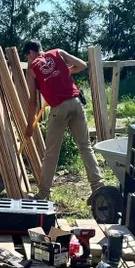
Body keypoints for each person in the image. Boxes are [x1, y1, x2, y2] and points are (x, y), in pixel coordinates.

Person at [22, 40, 104, 200]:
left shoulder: (32, 69)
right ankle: (98, 188)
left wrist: (30, 125)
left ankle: (44, 194)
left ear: (30, 53)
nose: (29, 60)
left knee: (51, 153)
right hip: (76, 103)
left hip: (59, 109)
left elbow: (32, 101)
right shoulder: (58, 52)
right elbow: (82, 65)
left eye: (27, 57)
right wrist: (65, 71)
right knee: (85, 147)